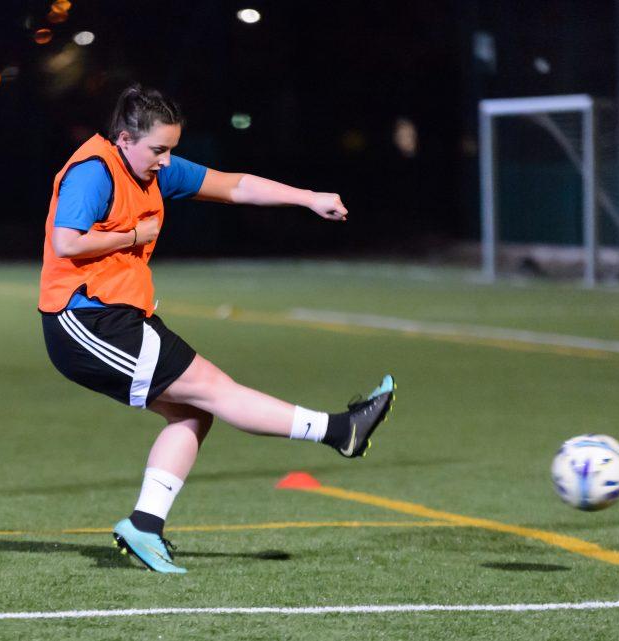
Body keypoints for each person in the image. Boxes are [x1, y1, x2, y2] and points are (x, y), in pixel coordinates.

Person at [39, 85, 395, 574]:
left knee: (192, 413)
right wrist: (133, 234)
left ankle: (145, 525)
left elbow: (237, 185)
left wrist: (308, 198)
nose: (166, 161)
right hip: (85, 321)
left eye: (171, 150)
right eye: (158, 150)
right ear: (124, 139)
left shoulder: (151, 169)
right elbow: (66, 240)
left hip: (117, 317)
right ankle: (339, 430)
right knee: (215, 390)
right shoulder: (94, 170)